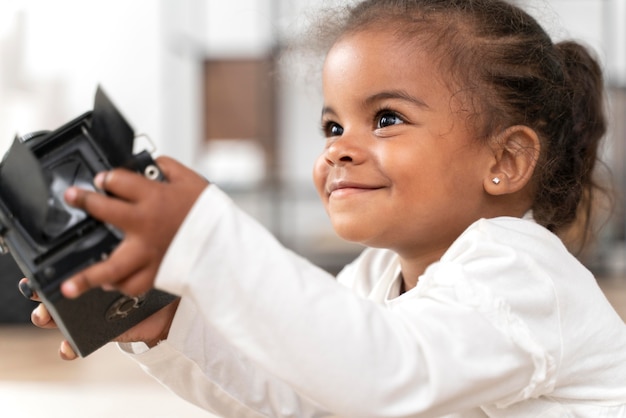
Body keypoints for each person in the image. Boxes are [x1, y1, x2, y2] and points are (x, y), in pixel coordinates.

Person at [26, 0, 626, 416]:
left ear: (506, 159)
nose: (338, 147)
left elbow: (381, 375)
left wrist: (203, 234)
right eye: (332, 124)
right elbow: (307, 396)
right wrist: (168, 324)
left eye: (386, 119)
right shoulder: (375, 277)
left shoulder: (522, 270)